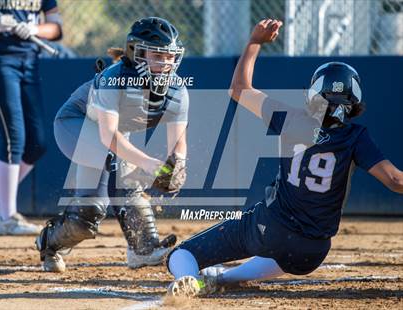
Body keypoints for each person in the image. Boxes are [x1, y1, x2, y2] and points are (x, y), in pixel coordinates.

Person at [166, 19, 403, 297]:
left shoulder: (290, 119)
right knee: (277, 256)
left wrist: (255, 41)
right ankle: (226, 278)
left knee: (182, 254)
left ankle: (188, 280)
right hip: (313, 252)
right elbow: (395, 180)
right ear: (354, 100)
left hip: (272, 228)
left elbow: (239, 88)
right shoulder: (356, 136)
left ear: (314, 95)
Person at [35, 17, 189, 272]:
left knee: (87, 216)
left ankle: (50, 242)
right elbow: (108, 137)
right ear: (136, 53)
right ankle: (144, 247)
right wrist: (151, 165)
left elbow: (179, 138)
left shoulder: (178, 89)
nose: (165, 64)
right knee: (121, 169)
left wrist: (179, 166)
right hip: (76, 124)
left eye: (169, 57)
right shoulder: (114, 79)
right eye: (157, 56)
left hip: (112, 138)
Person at [0, 0, 63, 235]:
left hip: (30, 62)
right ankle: (8, 217)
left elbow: (56, 27)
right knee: (14, 139)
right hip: (0, 60)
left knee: (37, 144)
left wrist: (35, 30)